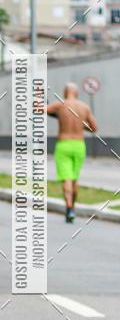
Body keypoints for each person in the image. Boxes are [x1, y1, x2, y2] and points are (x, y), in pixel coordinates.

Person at [47, 82, 97, 223]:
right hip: (79, 145)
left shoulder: (60, 105)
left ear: (64, 92)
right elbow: (94, 128)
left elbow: (40, 109)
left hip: (64, 144)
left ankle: (69, 207)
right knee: (74, 179)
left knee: (66, 178)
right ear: (77, 93)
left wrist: (39, 96)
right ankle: (73, 207)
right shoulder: (84, 107)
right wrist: (82, 126)